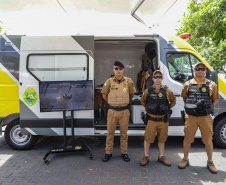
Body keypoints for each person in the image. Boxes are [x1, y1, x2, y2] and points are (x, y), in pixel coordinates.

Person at [178, 62, 220, 174]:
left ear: (206, 71)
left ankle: (210, 162)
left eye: (202, 69)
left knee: (208, 140)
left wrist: (206, 108)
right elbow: (184, 98)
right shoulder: (187, 84)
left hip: (205, 117)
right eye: (197, 69)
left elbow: (215, 99)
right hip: (191, 117)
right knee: (187, 139)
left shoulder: (212, 85)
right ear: (194, 71)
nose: (200, 70)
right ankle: (185, 159)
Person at [140, 70, 176, 166]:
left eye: (159, 77)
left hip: (163, 120)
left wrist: (166, 109)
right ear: (152, 79)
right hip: (151, 120)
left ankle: (161, 156)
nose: (157, 79)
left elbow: (173, 101)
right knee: (147, 139)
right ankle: (146, 156)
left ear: (162, 79)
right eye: (155, 77)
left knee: (162, 139)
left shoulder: (167, 91)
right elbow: (143, 101)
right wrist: (150, 109)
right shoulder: (148, 91)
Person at [101, 61, 135, 162]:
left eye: (120, 68)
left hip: (124, 112)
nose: (118, 70)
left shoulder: (128, 81)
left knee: (124, 134)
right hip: (112, 111)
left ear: (123, 69)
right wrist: (112, 103)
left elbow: (131, 94)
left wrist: (124, 102)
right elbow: (104, 95)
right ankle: (108, 153)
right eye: (116, 68)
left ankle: (124, 153)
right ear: (113, 70)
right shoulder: (109, 81)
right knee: (110, 133)